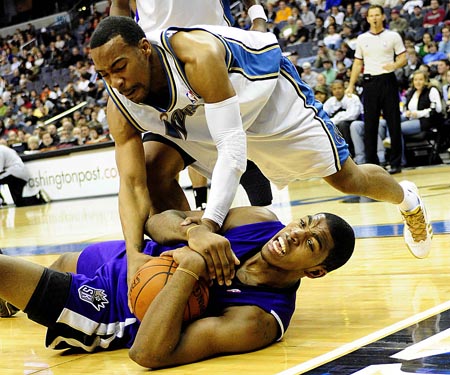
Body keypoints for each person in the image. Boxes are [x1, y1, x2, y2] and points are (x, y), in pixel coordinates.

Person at [90, 17, 433, 292]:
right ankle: (203, 267)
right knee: (151, 172)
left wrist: (208, 223)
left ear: (145, 49)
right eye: (104, 75)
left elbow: (232, 148)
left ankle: (408, 202)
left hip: (267, 98)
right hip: (207, 114)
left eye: (120, 67)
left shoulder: (196, 54)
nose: (115, 82)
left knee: (346, 178)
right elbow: (131, 185)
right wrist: (134, 255)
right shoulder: (119, 104)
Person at [0, 206, 355, 369]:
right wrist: (194, 233)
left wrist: (189, 269)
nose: (294, 234)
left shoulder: (258, 320)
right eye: (303, 223)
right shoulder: (257, 220)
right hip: (141, 258)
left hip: (122, 308)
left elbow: (148, 354)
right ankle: (8, 304)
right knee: (63, 262)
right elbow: (157, 220)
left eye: (311, 243)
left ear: (315, 272)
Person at [109, 0, 273, 210]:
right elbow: (120, 5)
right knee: (152, 171)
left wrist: (258, 19)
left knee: (255, 183)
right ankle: (195, 236)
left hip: (215, 57)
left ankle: (260, 225)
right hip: (159, 67)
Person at [346, 4, 407, 175]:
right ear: (367, 18)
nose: (374, 18)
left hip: (388, 80)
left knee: (394, 123)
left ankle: (396, 162)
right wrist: (351, 84)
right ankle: (372, 163)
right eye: (371, 15)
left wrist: (394, 65)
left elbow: (403, 57)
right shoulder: (362, 39)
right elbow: (358, 63)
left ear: (383, 17)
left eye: (377, 15)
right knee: (370, 124)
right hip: (370, 82)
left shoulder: (393, 35)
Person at [323, 79, 363, 156]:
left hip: (355, 123)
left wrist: (334, 120)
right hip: (337, 123)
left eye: (339, 88)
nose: (337, 91)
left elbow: (352, 115)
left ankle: (350, 152)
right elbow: (323, 114)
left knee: (342, 124)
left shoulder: (352, 97)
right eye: (334, 89)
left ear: (344, 88)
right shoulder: (330, 101)